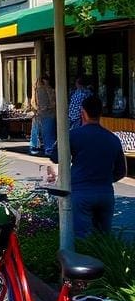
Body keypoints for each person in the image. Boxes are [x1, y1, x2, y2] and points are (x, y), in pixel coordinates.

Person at [49, 95, 127, 237]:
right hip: (105, 192)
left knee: (81, 237)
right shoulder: (113, 139)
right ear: (100, 113)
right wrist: (106, 179)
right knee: (103, 238)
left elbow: (54, 157)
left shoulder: (73, 135)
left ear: (83, 113)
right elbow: (121, 171)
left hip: (81, 192)